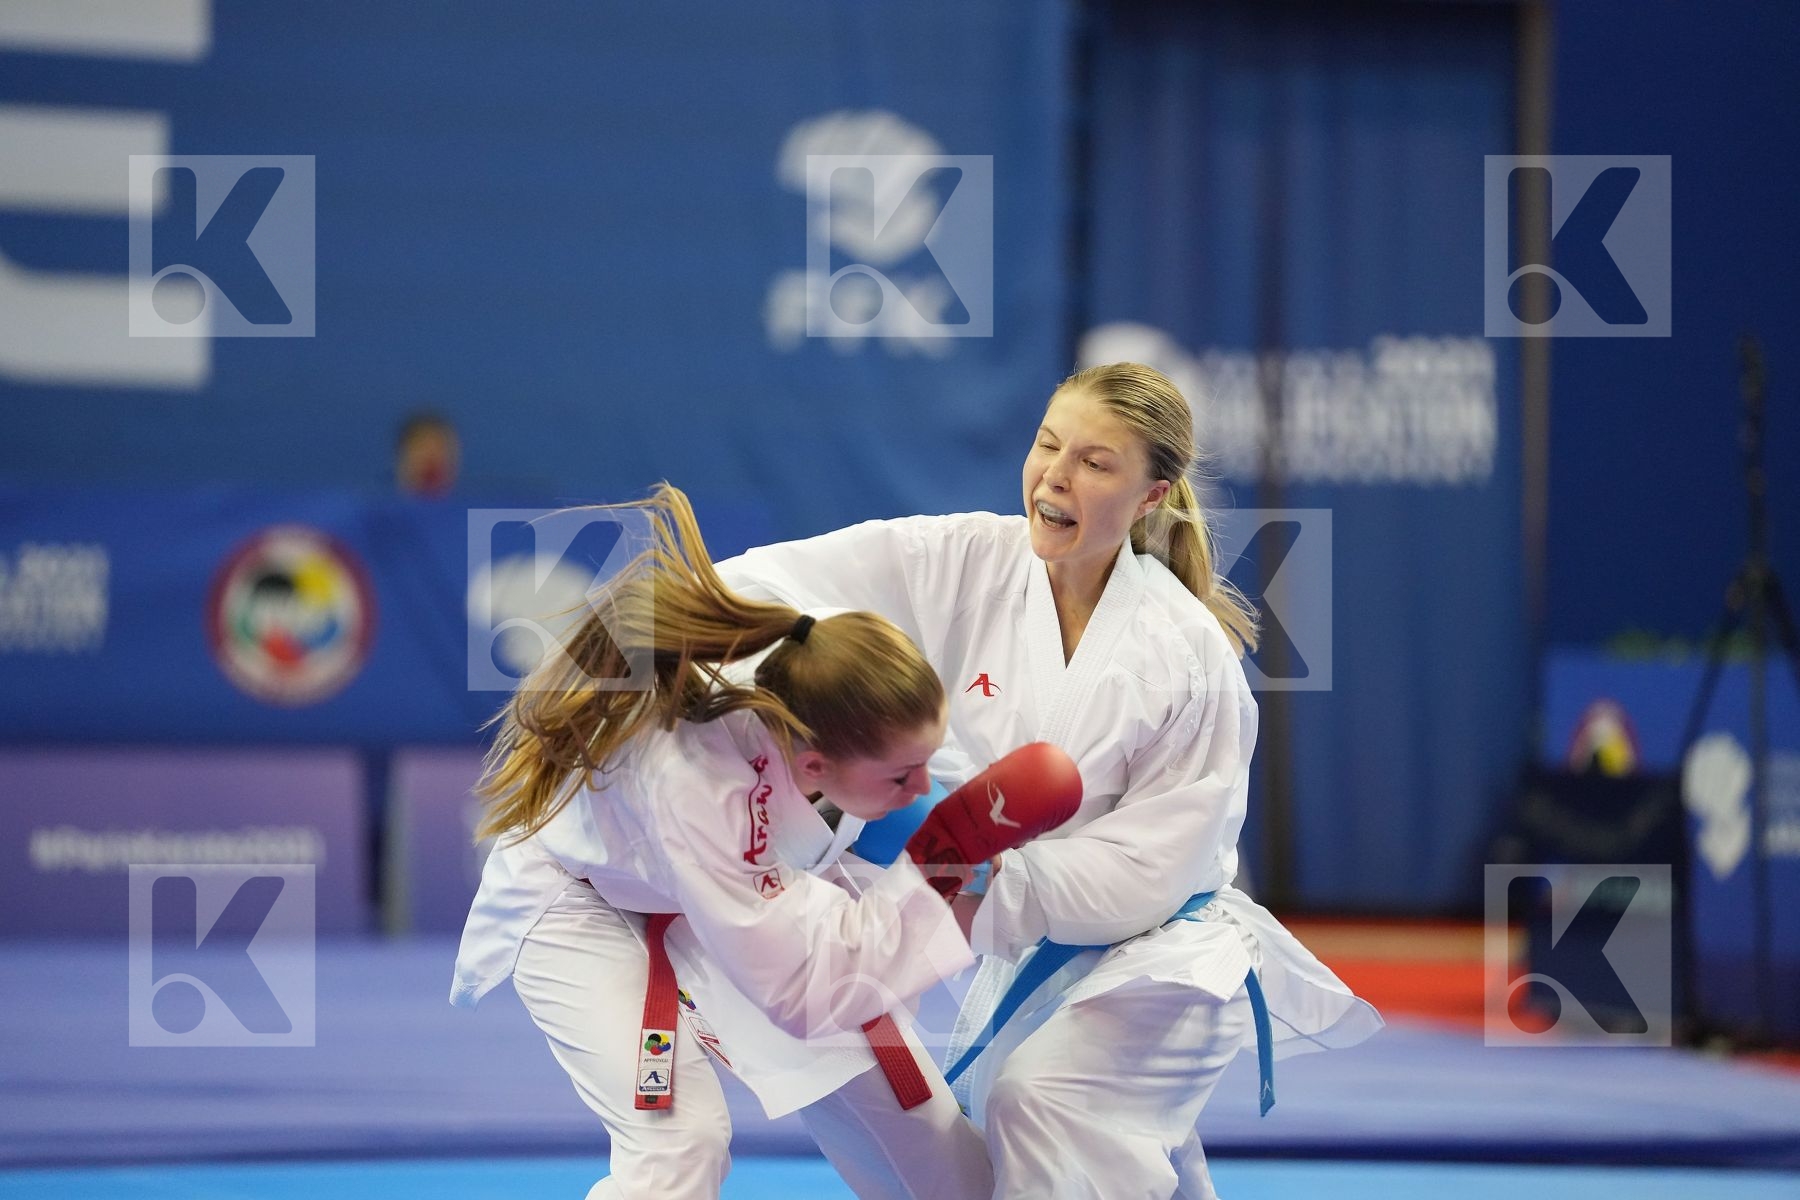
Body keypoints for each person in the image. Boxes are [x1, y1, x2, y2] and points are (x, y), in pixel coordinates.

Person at [718, 362, 1383, 1199]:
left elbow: (1156, 869)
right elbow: (770, 582)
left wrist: (977, 876)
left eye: (1096, 463)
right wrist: (689, 651)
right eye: (1047, 444)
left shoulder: (1183, 650)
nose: (1055, 477)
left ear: (1151, 496)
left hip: (1161, 958)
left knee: (1042, 1107)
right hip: (1032, 940)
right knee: (1055, 1139)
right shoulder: (967, 560)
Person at [449, 483, 1080, 1200]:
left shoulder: (831, 666)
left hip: (722, 887)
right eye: (906, 777)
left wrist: (969, 822)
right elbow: (806, 991)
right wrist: (938, 869)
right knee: (680, 1142)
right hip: (580, 903)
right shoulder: (700, 785)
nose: (922, 790)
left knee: (925, 1129)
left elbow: (909, 761)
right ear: (812, 766)